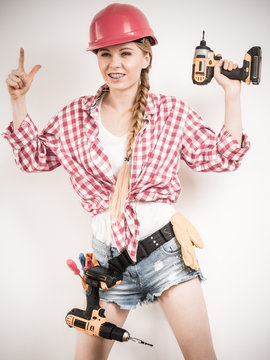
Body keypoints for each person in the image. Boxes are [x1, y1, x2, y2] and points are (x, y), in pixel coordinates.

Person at [2, 3, 250, 360]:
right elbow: (33, 159)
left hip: (166, 254)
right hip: (108, 264)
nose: (114, 64)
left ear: (146, 58)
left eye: (126, 53)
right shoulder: (74, 116)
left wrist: (231, 95)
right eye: (105, 53)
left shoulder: (171, 112)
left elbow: (222, 157)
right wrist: (18, 101)